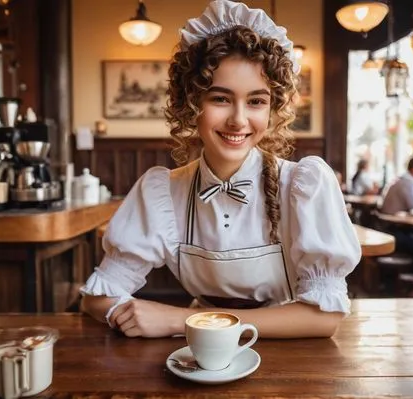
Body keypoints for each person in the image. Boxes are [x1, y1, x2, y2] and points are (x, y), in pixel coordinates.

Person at [80, 0, 361, 339]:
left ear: (272, 110)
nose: (239, 120)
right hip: (198, 354)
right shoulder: (162, 193)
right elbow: (97, 298)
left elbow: (324, 319)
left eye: (256, 101)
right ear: (191, 104)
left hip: (287, 351)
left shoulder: (303, 185)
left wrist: (178, 320)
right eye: (220, 99)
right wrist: (127, 314)